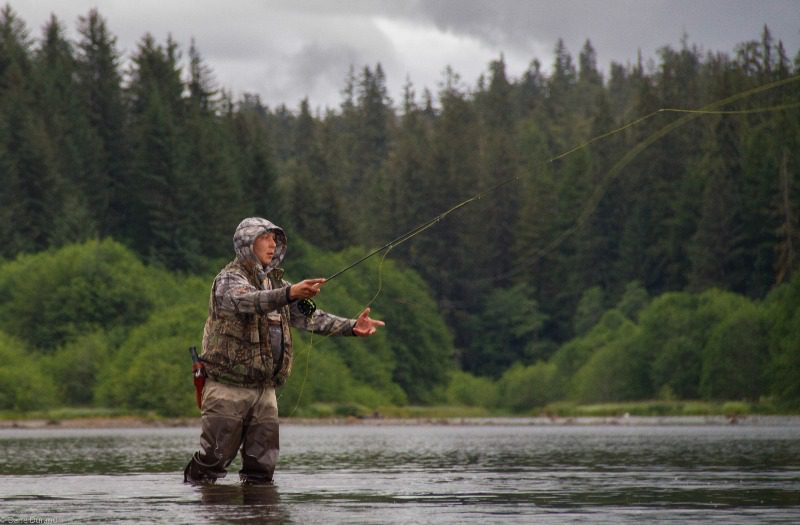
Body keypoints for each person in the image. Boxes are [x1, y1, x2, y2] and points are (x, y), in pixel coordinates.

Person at [184, 217, 385, 485]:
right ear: (247, 243)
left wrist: (352, 326)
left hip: (266, 390)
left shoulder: (278, 286)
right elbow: (249, 301)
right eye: (265, 238)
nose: (273, 244)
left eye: (275, 239)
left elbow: (311, 316)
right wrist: (290, 292)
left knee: (262, 469)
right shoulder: (228, 279)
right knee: (213, 460)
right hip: (227, 387)